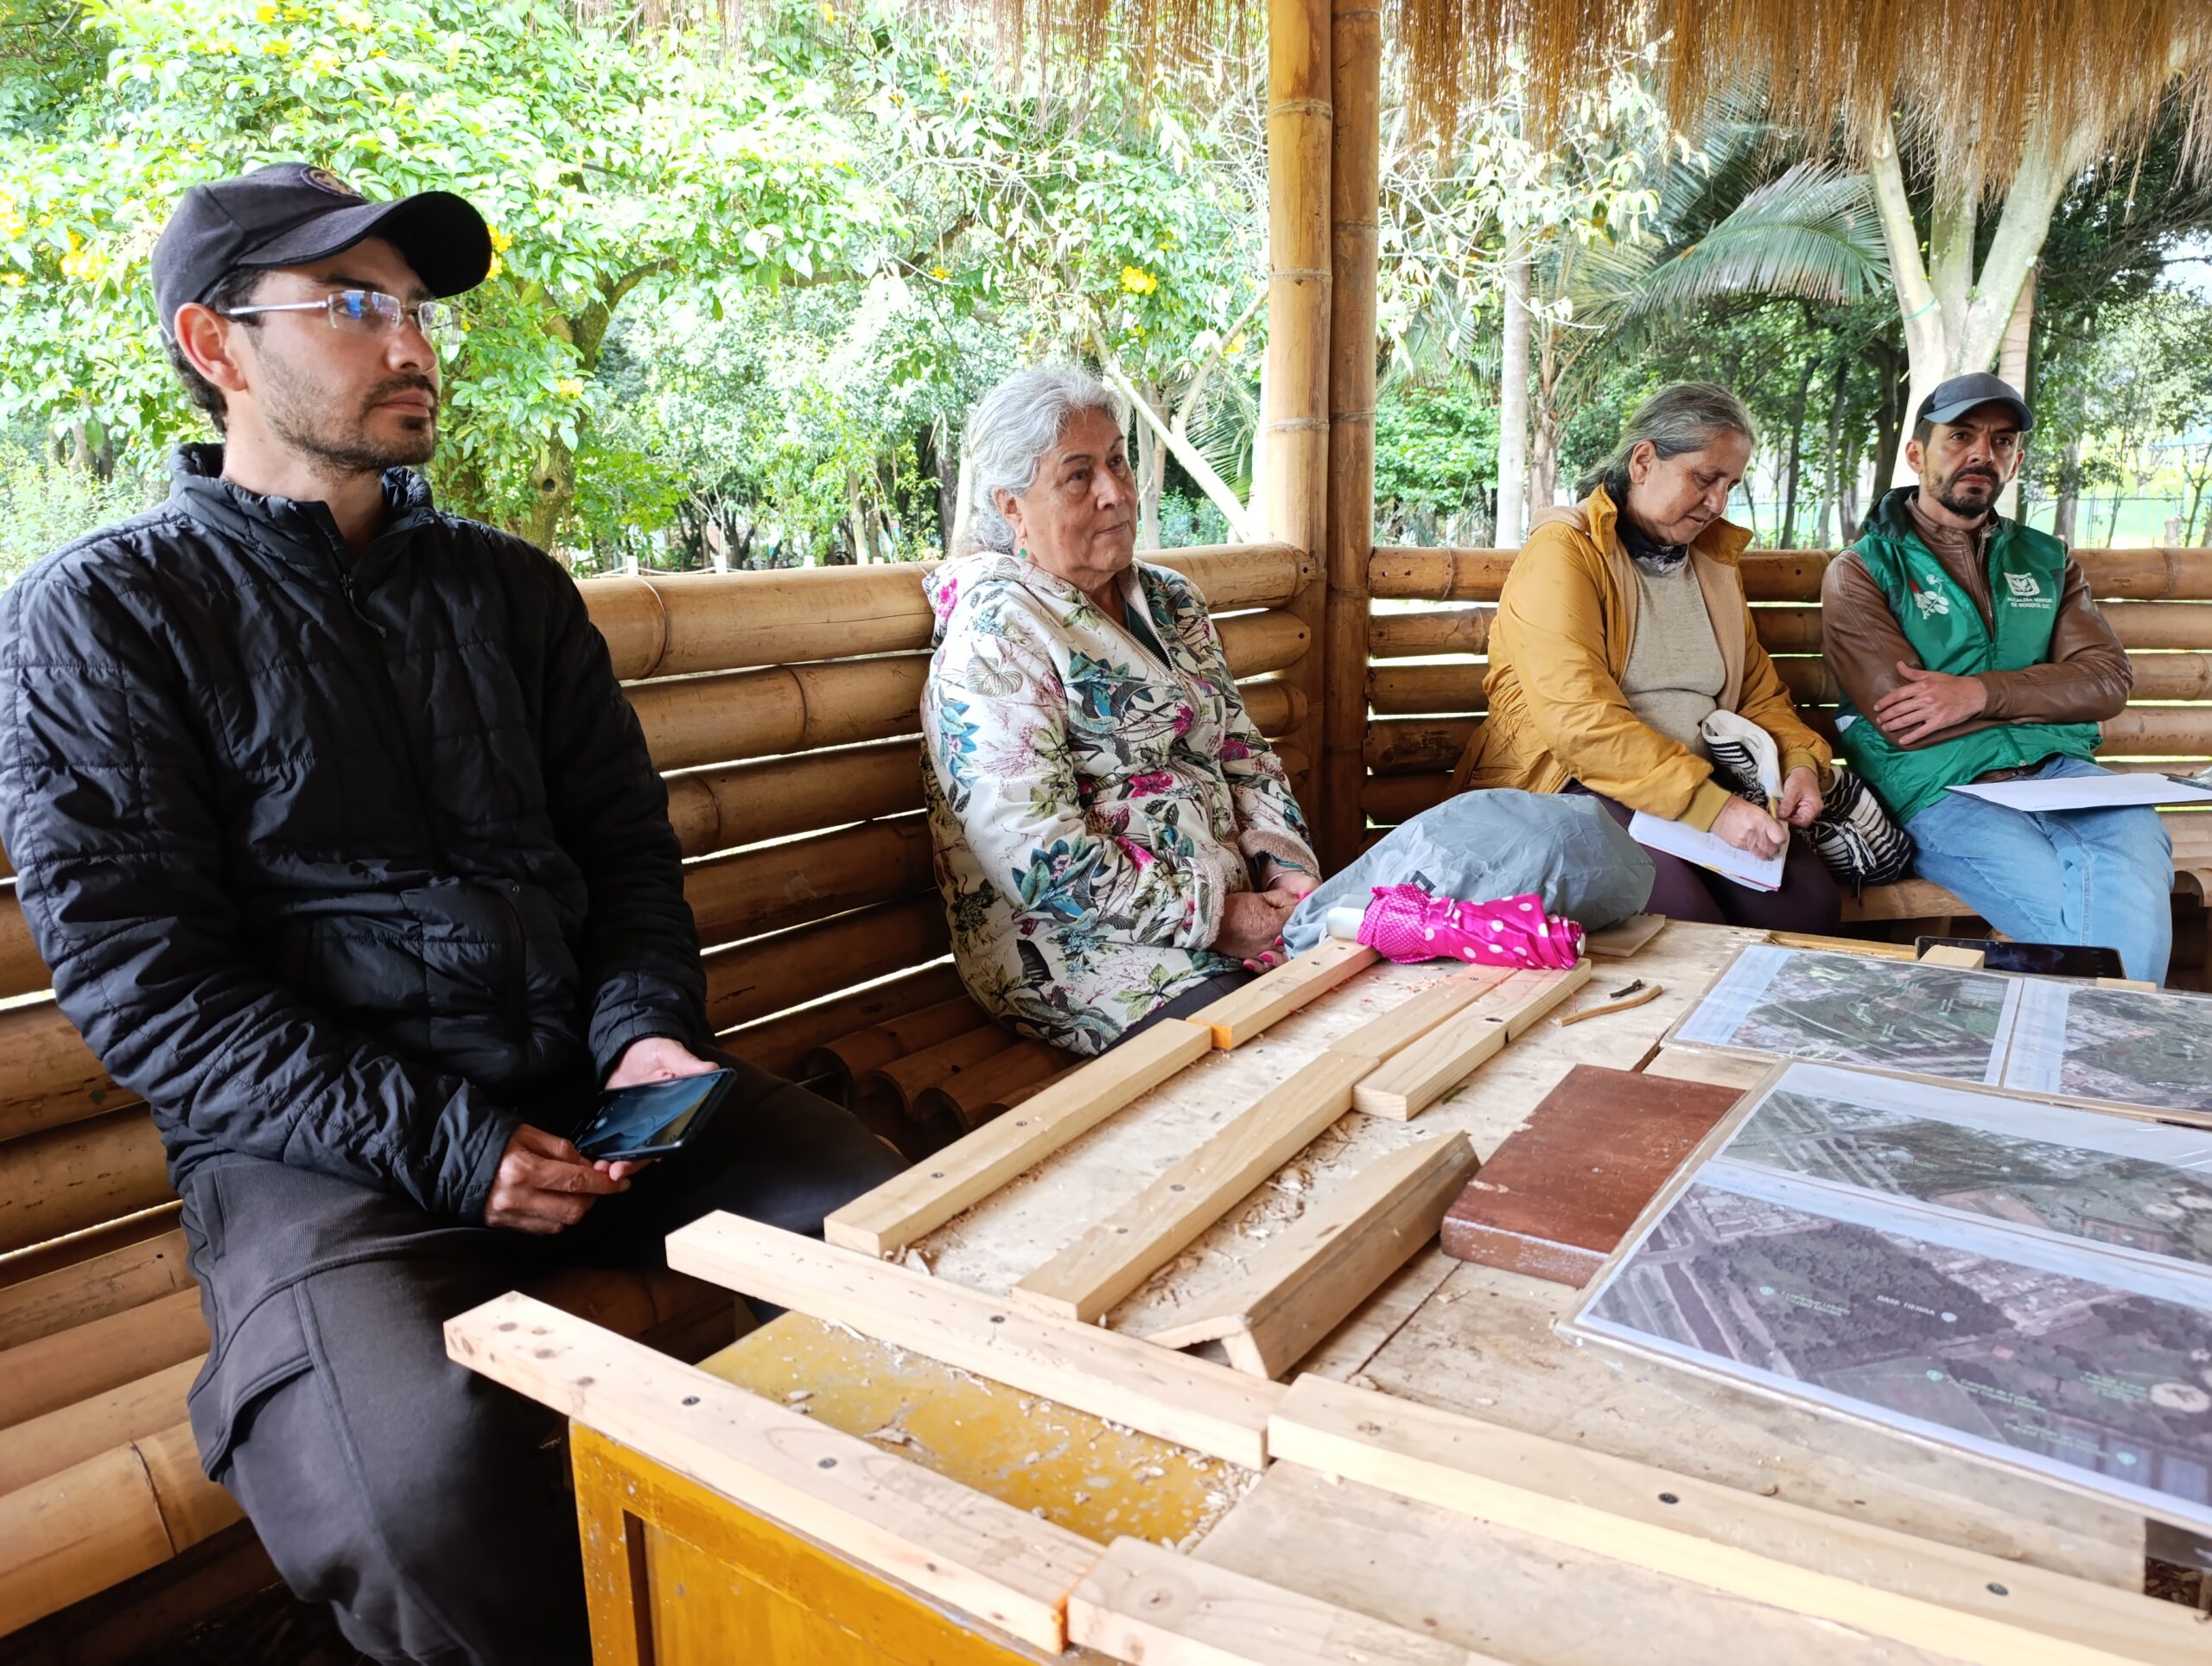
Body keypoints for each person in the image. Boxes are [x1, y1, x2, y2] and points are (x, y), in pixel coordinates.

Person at [0, 163, 905, 1665]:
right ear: (217, 344)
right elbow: (147, 979)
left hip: (586, 1095)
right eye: (354, 306)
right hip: (321, 1156)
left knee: (893, 1236)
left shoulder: (510, 592)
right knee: (420, 1490)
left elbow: (623, 854)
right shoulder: (107, 612)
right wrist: (447, 1143)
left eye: (413, 309)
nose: (409, 343)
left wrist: (646, 1036)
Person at [922, 366, 1319, 1055]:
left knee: (1362, 991)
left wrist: (1290, 873)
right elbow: (1037, 858)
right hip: (1075, 946)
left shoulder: (1170, 600)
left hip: (1240, 909)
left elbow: (1242, 755)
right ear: (1011, 505)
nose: (1115, 493)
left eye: (1117, 461)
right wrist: (1215, 917)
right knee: (1271, 1051)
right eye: (1078, 476)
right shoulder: (997, 634)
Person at [1449, 383, 1843, 932]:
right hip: (1571, 786)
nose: (1718, 503)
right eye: (1705, 479)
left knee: (1809, 907)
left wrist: (1801, 761)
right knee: (1682, 922)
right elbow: (1580, 724)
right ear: (1643, 461)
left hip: (1696, 784)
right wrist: (1716, 810)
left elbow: (1758, 695)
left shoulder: (1712, 564)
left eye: (1730, 484)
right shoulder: (1566, 554)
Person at [1822, 372, 2171, 983]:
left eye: (2003, 441)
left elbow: (2107, 681)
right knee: (2092, 927)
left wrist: (1976, 693)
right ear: (1916, 454)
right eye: (1960, 437)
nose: (1982, 454)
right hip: (1944, 790)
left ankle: (2086, 1059)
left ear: (2015, 458)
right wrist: (2047, 692)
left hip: (2065, 775)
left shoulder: (2047, 559)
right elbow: (1907, 719)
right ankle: (2125, 1051)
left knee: (2135, 843)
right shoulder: (1863, 571)